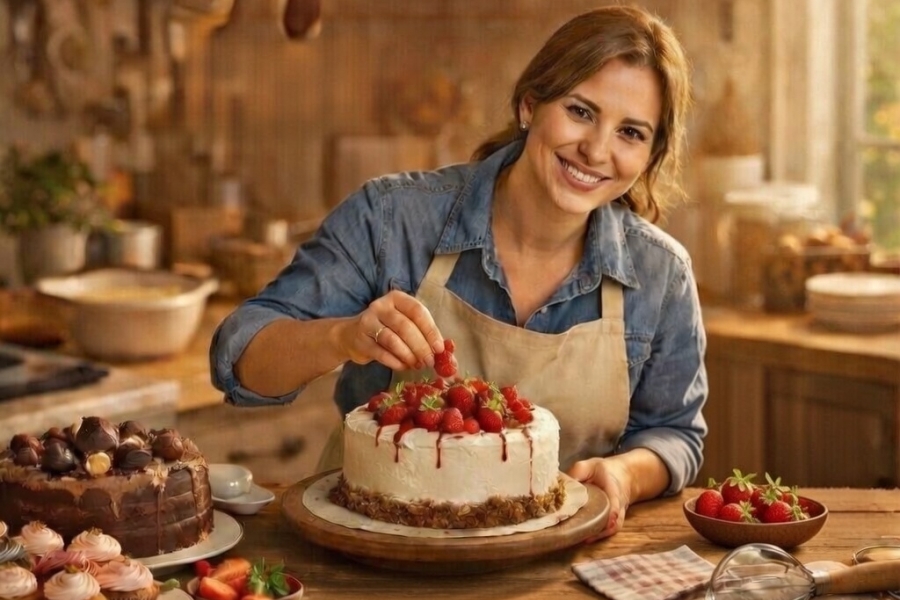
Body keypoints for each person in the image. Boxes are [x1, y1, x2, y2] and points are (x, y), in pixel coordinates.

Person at [210, 4, 707, 540]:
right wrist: (343, 336)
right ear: (529, 104)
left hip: (555, 569)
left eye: (630, 132)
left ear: (651, 154)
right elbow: (240, 357)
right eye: (581, 111)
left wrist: (627, 475)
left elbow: (675, 432)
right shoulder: (392, 219)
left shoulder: (662, 274)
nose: (596, 149)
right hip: (375, 553)